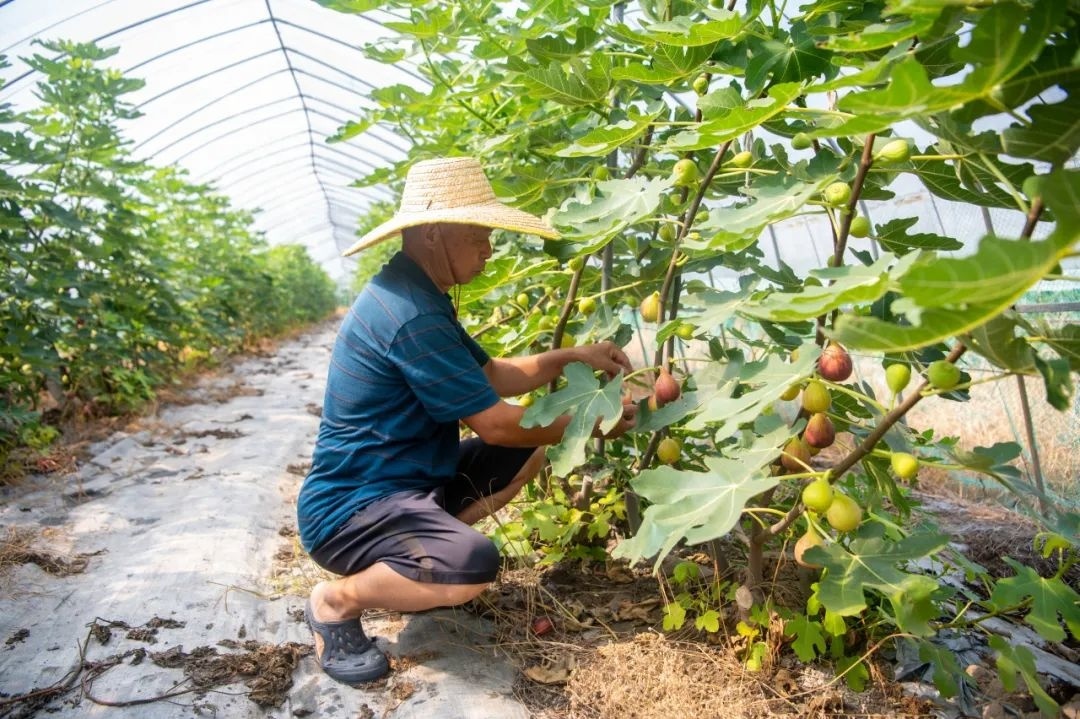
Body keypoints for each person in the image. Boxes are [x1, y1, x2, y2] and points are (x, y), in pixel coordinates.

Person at [297, 156, 637, 685]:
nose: (488, 249)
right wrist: (594, 423)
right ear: (433, 233)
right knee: (475, 564)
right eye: (478, 236)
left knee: (530, 448)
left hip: (409, 483)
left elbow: (493, 375)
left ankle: (424, 571)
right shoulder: (408, 313)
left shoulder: (416, 293)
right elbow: (496, 424)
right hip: (351, 509)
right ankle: (337, 601)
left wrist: (573, 355)